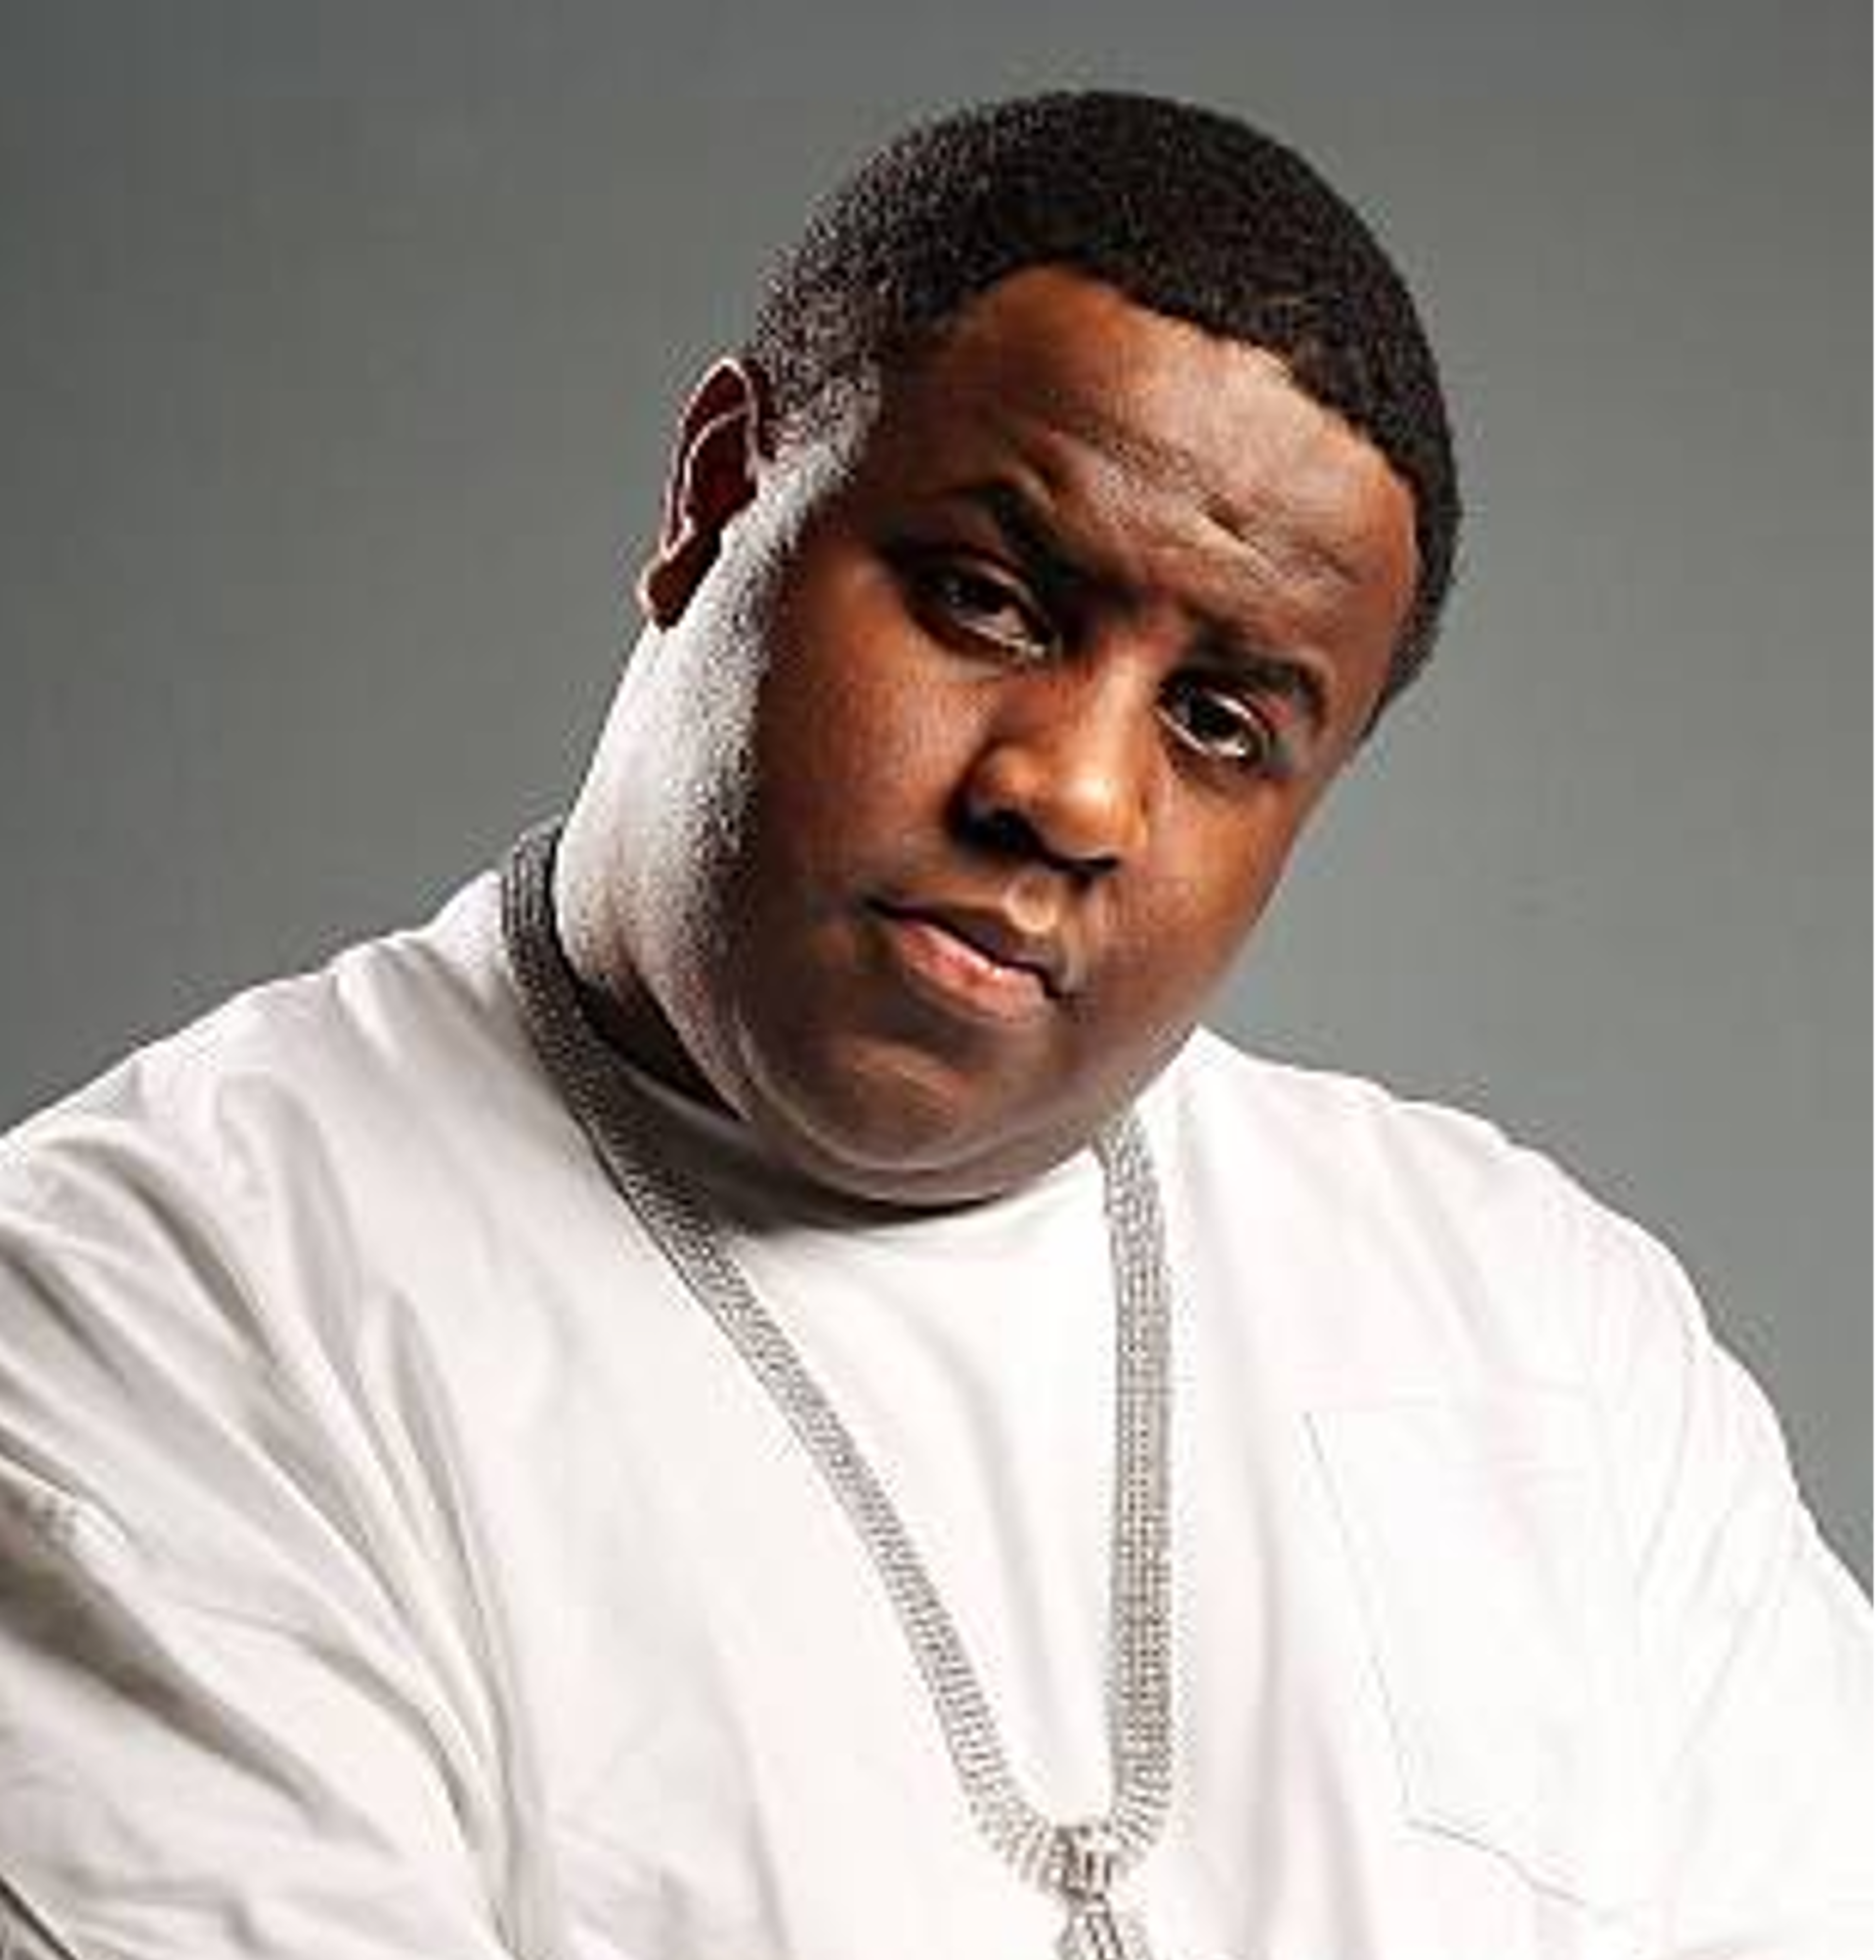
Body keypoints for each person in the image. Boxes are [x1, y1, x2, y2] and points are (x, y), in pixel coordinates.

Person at [1, 88, 1871, 1960]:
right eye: (986, 597)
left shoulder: (1543, 1330)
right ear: (714, 498)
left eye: (1223, 722)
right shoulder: (151, 1302)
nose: (1071, 791)